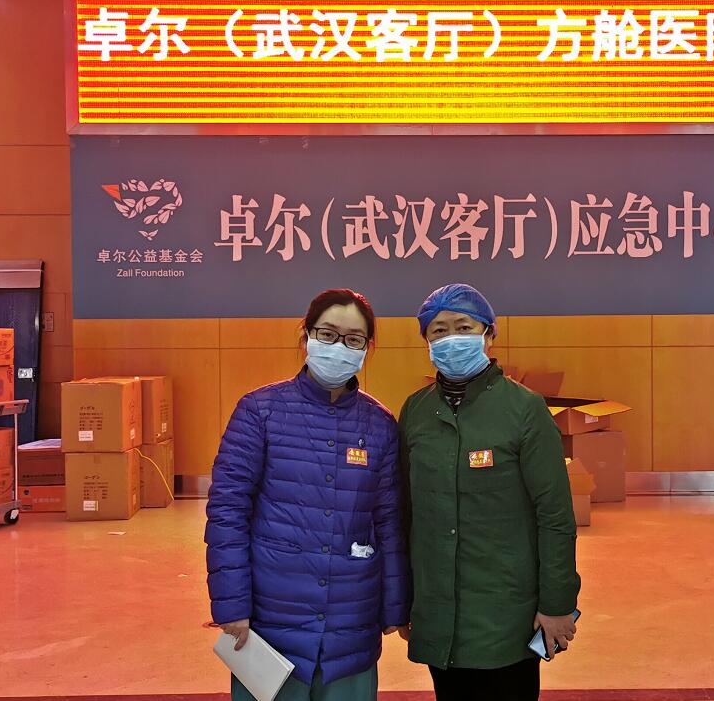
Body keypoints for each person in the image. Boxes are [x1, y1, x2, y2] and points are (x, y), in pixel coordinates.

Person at [205, 288, 411, 701]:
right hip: (271, 624)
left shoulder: (380, 424)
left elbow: (389, 521)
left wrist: (395, 605)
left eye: (353, 339)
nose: (339, 347)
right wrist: (232, 605)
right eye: (328, 334)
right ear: (307, 335)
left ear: (367, 348)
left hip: (350, 625)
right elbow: (228, 511)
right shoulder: (259, 411)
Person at [397, 283, 581, 701]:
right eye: (439, 331)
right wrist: (404, 599)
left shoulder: (524, 409)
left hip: (506, 615)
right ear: (426, 342)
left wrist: (557, 604)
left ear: (489, 335)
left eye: (464, 327)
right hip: (439, 611)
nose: (451, 339)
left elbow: (554, 515)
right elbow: (405, 512)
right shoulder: (416, 411)